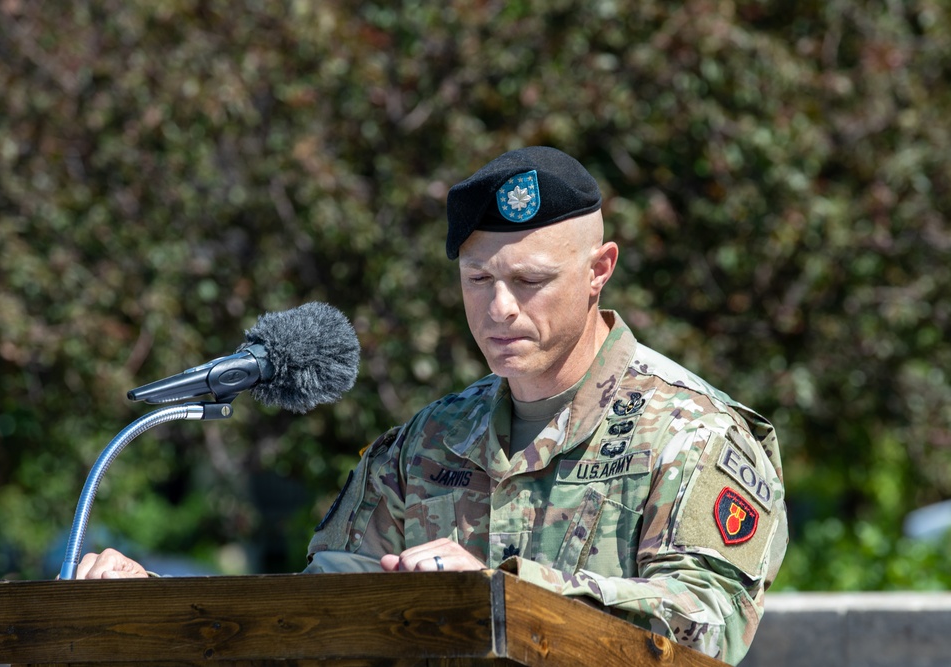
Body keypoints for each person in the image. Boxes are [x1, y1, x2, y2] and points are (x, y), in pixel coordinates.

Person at [75, 146, 787, 665]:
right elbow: (316, 623)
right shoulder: (428, 442)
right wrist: (159, 607)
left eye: (530, 279)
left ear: (600, 269)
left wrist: (503, 593)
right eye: (478, 279)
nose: (500, 308)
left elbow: (708, 627)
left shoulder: (692, 434)